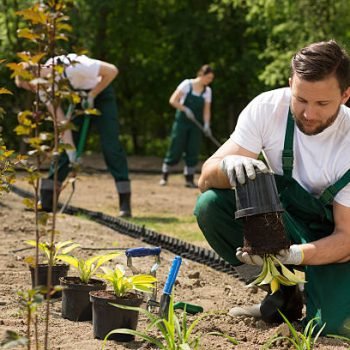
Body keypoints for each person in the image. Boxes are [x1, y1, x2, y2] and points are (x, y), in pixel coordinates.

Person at [194, 40, 350, 337]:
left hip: (337, 236)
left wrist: (292, 255)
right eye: (301, 99)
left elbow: (346, 239)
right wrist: (228, 167)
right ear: (291, 83)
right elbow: (205, 179)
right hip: (289, 219)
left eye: (322, 104)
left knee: (328, 327)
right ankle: (280, 292)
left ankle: (319, 296)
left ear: (345, 95)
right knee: (211, 207)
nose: (308, 114)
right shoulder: (268, 109)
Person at [16, 54, 132, 217]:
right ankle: (47, 200)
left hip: (102, 93)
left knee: (110, 146)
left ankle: (125, 203)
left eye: (30, 86)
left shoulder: (73, 66)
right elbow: (61, 123)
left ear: (35, 75)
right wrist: (72, 154)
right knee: (65, 147)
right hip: (77, 98)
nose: (33, 90)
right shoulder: (43, 89)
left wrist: (92, 94)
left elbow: (112, 71)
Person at [159, 65, 215, 188]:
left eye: (211, 78)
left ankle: (189, 179)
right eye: (208, 77)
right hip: (182, 123)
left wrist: (206, 124)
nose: (210, 80)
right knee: (175, 147)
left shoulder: (207, 91)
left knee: (193, 149)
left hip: (196, 124)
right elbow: (173, 100)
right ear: (201, 75)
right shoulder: (186, 84)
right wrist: (185, 109)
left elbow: (206, 110)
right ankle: (164, 176)